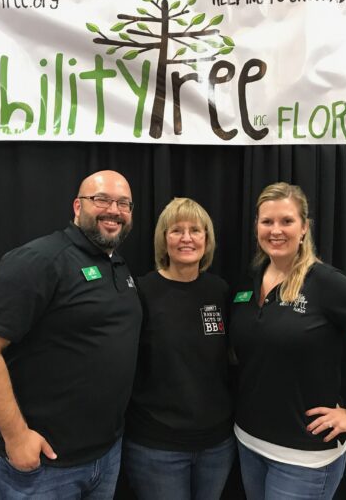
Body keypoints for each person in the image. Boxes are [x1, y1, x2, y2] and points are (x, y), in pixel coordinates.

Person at [0, 170, 142, 500]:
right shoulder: (39, 259)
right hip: (44, 468)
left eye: (123, 203)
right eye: (101, 199)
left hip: (105, 456)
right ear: (77, 206)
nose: (114, 210)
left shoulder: (117, 264)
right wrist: (16, 438)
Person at [230, 182, 346, 500]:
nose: (276, 230)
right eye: (267, 221)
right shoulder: (249, 280)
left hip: (305, 458)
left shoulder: (327, 283)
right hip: (248, 442)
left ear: (304, 227)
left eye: (287, 221)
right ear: (256, 225)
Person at [123, 198, 235, 500]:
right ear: (163, 239)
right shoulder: (142, 291)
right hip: (156, 446)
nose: (186, 238)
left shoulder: (221, 290)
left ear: (207, 239)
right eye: (176, 230)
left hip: (217, 444)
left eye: (195, 230)